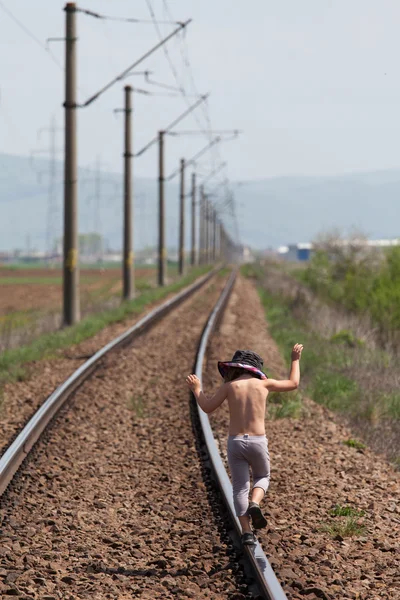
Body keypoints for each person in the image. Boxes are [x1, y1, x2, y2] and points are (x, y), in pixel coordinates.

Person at [186, 344, 303, 546]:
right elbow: (293, 383)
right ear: (255, 370)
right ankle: (255, 503)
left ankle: (247, 532)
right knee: (263, 477)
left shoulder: (229, 387)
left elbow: (206, 407)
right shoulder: (264, 385)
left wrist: (197, 390)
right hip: (258, 441)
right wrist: (295, 358)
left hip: (236, 442)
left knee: (240, 487)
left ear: (235, 368)